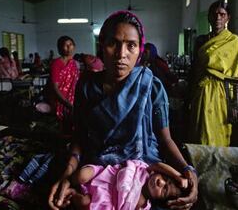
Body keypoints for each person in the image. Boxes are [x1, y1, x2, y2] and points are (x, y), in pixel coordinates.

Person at [48, 11, 198, 210]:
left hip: (143, 170)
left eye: (131, 45)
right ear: (102, 45)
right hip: (99, 170)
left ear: (139, 50)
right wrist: (68, 174)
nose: (121, 54)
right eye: (113, 43)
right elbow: (80, 137)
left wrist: (188, 170)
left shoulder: (150, 86)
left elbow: (166, 139)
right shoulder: (87, 86)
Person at [188, 0, 238, 146]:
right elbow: (194, 70)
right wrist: (190, 97)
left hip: (222, 95)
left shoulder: (233, 41)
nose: (218, 18)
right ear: (208, 17)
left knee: (220, 134)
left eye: (222, 14)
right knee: (201, 134)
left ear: (228, 18)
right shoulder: (201, 41)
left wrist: (235, 105)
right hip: (202, 93)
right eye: (214, 14)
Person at [60, 160, 188, 209]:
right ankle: (69, 181)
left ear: (159, 200)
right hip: (105, 176)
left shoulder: (143, 205)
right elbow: (158, 165)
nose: (161, 182)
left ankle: (72, 193)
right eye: (165, 178)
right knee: (81, 175)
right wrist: (177, 175)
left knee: (84, 202)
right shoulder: (145, 170)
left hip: (105, 199)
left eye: (164, 189)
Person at [47, 36, 80, 134]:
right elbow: (55, 87)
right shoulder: (56, 63)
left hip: (73, 99)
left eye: (70, 44)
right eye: (65, 45)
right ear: (60, 48)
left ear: (74, 46)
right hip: (60, 99)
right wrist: (67, 104)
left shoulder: (75, 64)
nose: (68, 47)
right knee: (63, 128)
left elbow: (76, 84)